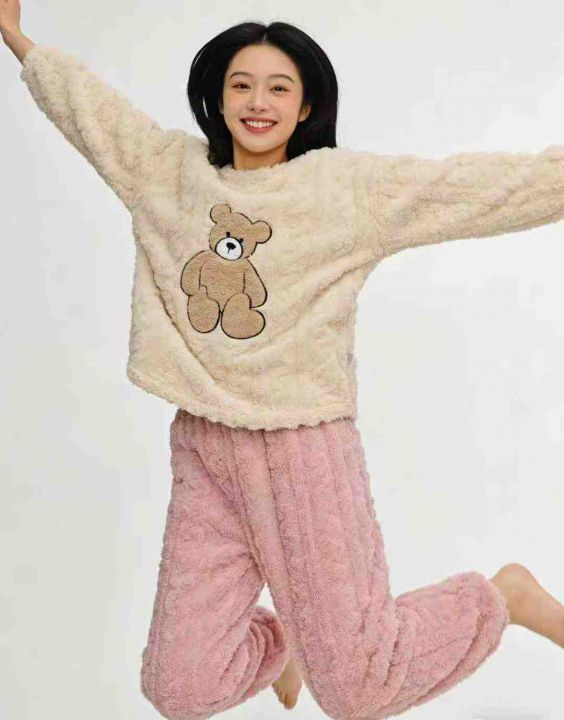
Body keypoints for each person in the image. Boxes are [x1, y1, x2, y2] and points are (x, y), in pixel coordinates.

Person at [3, 3, 564, 719]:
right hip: (205, 448)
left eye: (278, 87)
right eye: (241, 85)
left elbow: (474, 188)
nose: (257, 103)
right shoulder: (168, 174)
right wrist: (17, 38)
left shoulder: (342, 189)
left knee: (357, 689)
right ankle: (291, 639)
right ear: (216, 98)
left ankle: (501, 598)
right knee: (180, 689)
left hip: (301, 450)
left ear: (306, 107)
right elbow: (92, 114)